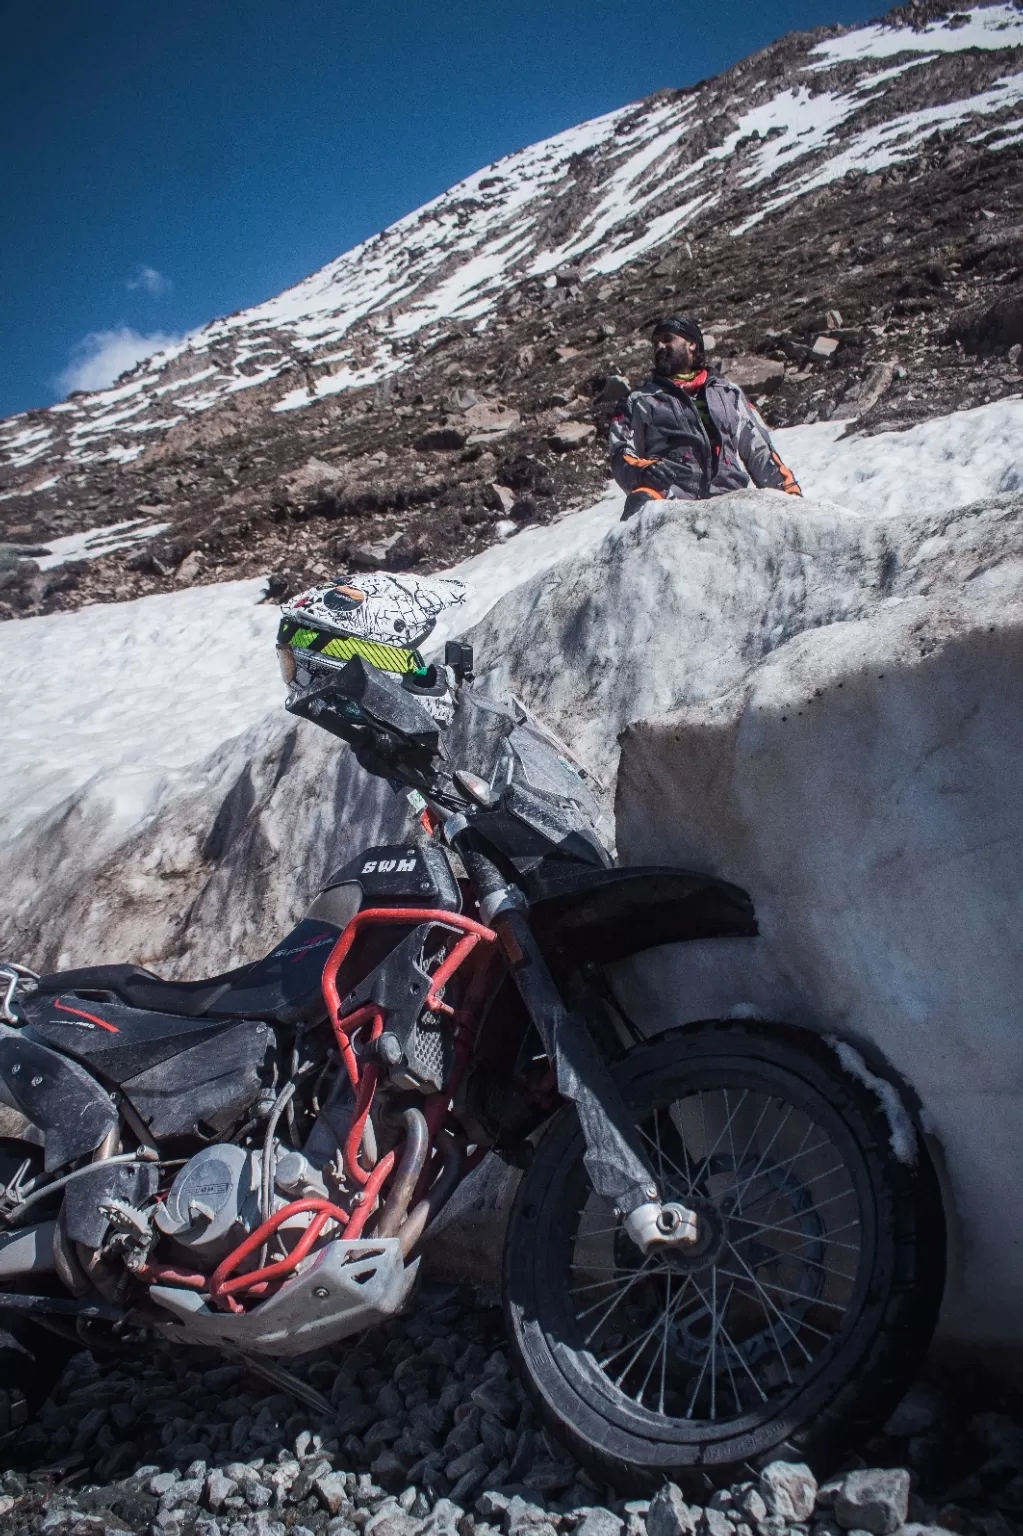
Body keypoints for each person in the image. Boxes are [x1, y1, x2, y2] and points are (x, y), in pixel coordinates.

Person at [609, 316, 802, 519]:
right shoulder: (639, 400)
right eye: (655, 343)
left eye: (667, 339)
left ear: (692, 344)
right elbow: (621, 454)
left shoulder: (728, 393)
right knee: (641, 502)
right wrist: (644, 470)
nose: (659, 346)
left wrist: (791, 495)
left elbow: (759, 450)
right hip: (671, 499)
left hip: (731, 499)